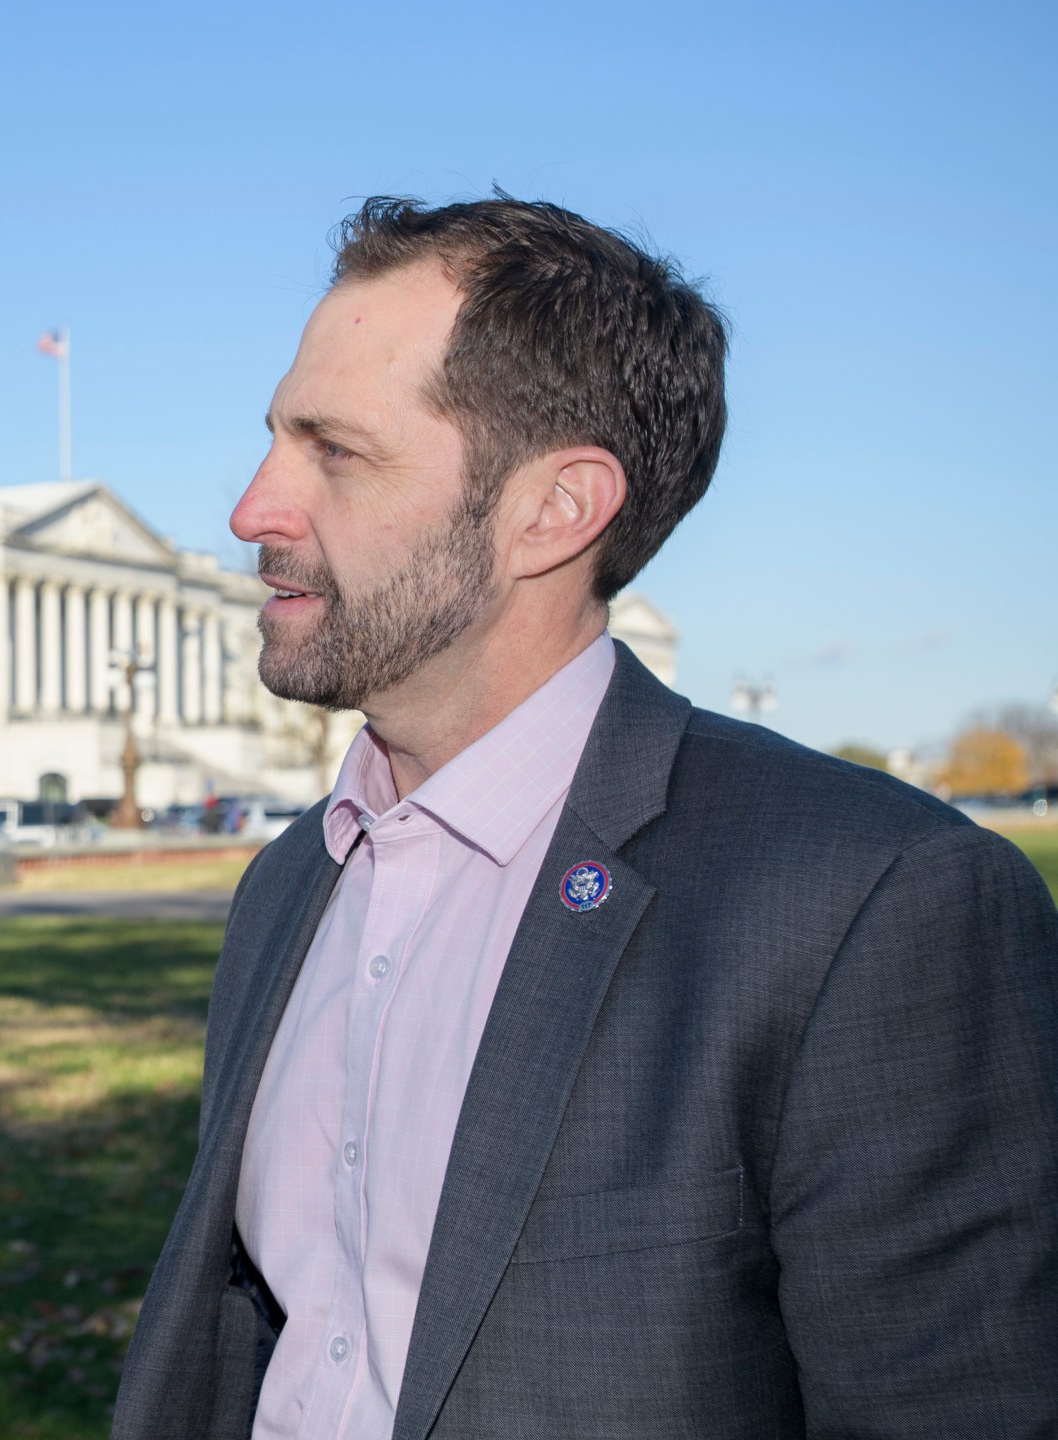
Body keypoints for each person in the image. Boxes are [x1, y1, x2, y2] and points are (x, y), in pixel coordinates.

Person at [114, 197, 1058, 1439]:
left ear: (554, 510)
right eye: (274, 441)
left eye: (332, 451)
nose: (250, 511)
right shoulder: (290, 885)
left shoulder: (869, 906)